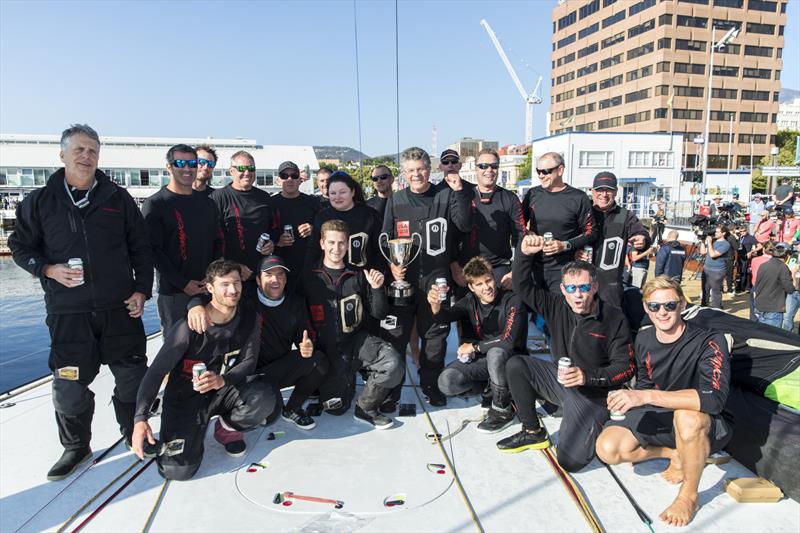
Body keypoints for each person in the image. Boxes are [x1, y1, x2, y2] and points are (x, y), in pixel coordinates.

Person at [9, 124, 154, 481]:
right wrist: (47, 269)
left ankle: (132, 432)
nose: (86, 156)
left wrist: (141, 290)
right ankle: (76, 447)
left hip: (119, 308)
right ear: (63, 155)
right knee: (69, 387)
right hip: (68, 313)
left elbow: (141, 248)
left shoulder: (117, 199)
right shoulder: (40, 202)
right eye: (79, 150)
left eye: (92, 150)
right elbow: (19, 247)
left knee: (132, 379)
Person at [597, 276, 732, 528]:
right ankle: (677, 453)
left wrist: (644, 396)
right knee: (608, 448)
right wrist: (627, 399)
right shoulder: (644, 339)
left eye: (669, 305)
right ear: (646, 308)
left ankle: (689, 496)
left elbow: (714, 400)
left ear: (681, 304)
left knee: (686, 416)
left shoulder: (710, 340)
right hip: (662, 415)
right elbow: (646, 384)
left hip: (704, 422)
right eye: (654, 306)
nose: (662, 312)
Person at [497, 236, 635, 472]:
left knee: (570, 461)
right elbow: (522, 286)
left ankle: (597, 422)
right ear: (563, 289)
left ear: (594, 287)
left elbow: (626, 368)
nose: (578, 295)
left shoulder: (613, 317)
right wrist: (523, 254)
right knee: (516, 364)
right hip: (562, 382)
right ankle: (533, 431)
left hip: (594, 394)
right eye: (571, 288)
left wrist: (587, 376)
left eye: (583, 288)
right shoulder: (557, 305)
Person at [131, 260, 278, 480]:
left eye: (236, 282)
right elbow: (156, 372)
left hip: (222, 391)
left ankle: (226, 427)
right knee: (178, 470)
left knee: (265, 399)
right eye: (224, 284)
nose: (233, 289)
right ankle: (189, 432)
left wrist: (222, 380)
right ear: (210, 288)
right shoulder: (187, 327)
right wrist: (140, 419)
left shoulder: (249, 318)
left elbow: (249, 362)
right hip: (185, 398)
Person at [187, 255, 329, 430]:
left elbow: (306, 336)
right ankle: (230, 421)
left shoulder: (296, 303)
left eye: (280, 274)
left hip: (278, 368)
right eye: (268, 274)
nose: (275, 279)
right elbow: (215, 298)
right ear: (258, 280)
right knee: (269, 414)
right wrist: (194, 305)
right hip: (249, 372)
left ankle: (292, 408)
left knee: (319, 361)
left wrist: (308, 346)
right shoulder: (244, 299)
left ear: (285, 279)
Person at [380, 147, 472, 406]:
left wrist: (460, 192)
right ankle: (391, 391)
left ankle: (431, 385)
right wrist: (392, 266)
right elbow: (386, 239)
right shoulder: (395, 200)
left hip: (437, 279)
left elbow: (464, 225)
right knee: (396, 338)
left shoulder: (445, 195)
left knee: (435, 337)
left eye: (420, 169)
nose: (416, 174)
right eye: (410, 170)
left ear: (429, 170)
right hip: (404, 281)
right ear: (404, 173)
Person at [301, 220, 403, 428]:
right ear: (322, 243)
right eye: (331, 242)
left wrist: (376, 289)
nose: (336, 248)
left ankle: (366, 407)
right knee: (336, 408)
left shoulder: (359, 274)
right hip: (328, 348)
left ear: (347, 245)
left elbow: (379, 314)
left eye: (341, 243)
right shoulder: (308, 277)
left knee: (393, 364)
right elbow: (298, 316)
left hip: (357, 342)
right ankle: (338, 381)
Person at [430, 256, 528, 433]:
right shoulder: (469, 301)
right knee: (447, 382)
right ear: (471, 287)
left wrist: (474, 347)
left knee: (495, 353)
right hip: (484, 361)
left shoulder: (513, 300)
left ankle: (502, 409)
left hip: (513, 361)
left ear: (494, 278)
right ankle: (490, 388)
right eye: (479, 284)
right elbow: (446, 316)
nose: (486, 287)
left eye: (488, 280)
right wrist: (436, 307)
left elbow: (509, 341)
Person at [142, 144, 222, 333]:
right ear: (169, 167)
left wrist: (212, 277)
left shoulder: (208, 204)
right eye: (180, 163)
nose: (187, 169)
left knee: (209, 346)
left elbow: (218, 242)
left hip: (206, 288)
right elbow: (153, 252)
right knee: (175, 351)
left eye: (192, 164)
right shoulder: (155, 204)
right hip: (174, 294)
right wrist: (183, 283)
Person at [522, 152, 596, 293]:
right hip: (534, 267)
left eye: (546, 171)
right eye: (538, 171)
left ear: (560, 170)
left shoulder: (578, 197)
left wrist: (564, 245)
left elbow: (591, 232)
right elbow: (518, 226)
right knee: (532, 313)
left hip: (564, 270)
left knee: (559, 313)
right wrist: (527, 233)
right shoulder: (532, 194)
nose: (541, 176)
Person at [576, 172, 650, 308]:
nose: (604, 195)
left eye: (608, 190)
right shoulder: (582, 214)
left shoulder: (625, 216)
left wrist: (642, 239)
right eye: (599, 190)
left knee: (610, 323)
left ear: (615, 192)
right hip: (580, 285)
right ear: (592, 191)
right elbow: (567, 238)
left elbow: (641, 233)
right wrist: (575, 253)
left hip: (610, 287)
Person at [457, 149, 525, 292]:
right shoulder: (464, 196)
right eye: (483, 166)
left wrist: (514, 272)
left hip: (499, 269)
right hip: (467, 270)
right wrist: (454, 267)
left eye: (494, 166)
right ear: (476, 169)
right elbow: (451, 234)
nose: (489, 170)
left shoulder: (510, 198)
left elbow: (520, 237)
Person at [210, 151, 276, 294]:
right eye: (241, 169)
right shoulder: (218, 198)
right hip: (230, 278)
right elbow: (211, 240)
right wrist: (234, 266)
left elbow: (273, 230)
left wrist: (272, 244)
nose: (247, 172)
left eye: (251, 168)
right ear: (231, 171)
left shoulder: (264, 198)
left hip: (260, 275)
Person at [307, 171, 382, 271]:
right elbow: (313, 250)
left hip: (364, 278)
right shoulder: (322, 217)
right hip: (331, 279)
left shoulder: (370, 215)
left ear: (352, 192)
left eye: (342, 192)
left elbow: (379, 250)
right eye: (333, 193)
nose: (337, 197)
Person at [269, 161, 321, 293]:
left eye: (294, 175)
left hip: (310, 267)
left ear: (300, 179)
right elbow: (264, 233)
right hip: (281, 270)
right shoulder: (270, 204)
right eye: (284, 176)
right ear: (278, 180)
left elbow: (328, 229)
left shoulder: (313, 202)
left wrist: (314, 229)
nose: (290, 179)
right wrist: (278, 242)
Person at [752, 242, 795, 328]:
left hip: (760, 305)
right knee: (772, 338)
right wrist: (793, 275)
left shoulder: (763, 265)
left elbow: (756, 284)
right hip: (773, 308)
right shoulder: (783, 267)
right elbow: (790, 289)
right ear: (786, 256)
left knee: (762, 335)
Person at [698, 226, 731, 309]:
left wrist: (709, 243)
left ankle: (716, 309)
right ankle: (704, 305)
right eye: (715, 232)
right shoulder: (714, 241)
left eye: (718, 232)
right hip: (706, 269)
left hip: (717, 271)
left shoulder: (725, 244)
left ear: (724, 233)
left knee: (715, 291)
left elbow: (713, 255)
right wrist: (702, 241)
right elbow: (703, 252)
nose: (715, 233)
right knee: (705, 289)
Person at [734, 225, 757, 294]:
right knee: (738, 272)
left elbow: (759, 246)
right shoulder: (739, 237)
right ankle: (740, 287)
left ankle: (744, 287)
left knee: (744, 272)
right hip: (738, 257)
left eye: (744, 231)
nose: (742, 232)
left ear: (747, 230)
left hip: (746, 257)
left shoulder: (751, 238)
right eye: (741, 231)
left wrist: (751, 252)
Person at [724, 225, 739, 295]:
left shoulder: (724, 236)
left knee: (722, 273)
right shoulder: (731, 237)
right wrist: (737, 239)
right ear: (733, 230)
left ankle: (721, 289)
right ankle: (729, 289)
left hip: (722, 257)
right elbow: (736, 247)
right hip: (729, 258)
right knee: (729, 274)